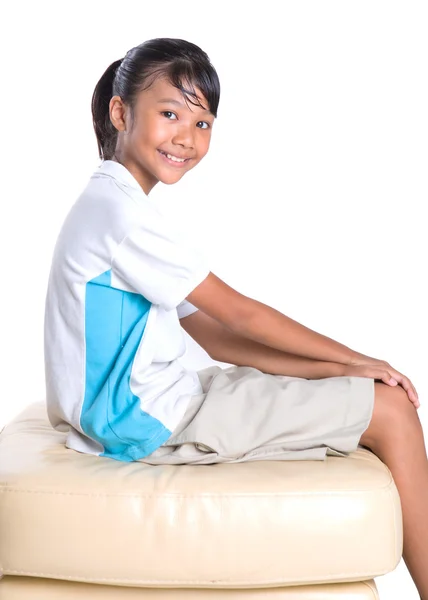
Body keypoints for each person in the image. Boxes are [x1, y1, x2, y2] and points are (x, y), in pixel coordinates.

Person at [44, 38, 428, 597]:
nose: (186, 137)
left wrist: (330, 371)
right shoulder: (122, 215)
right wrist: (358, 360)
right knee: (392, 411)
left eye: (202, 123)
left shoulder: (114, 204)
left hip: (150, 407)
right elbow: (240, 313)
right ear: (120, 112)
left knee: (368, 395)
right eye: (170, 113)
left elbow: (215, 335)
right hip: (148, 424)